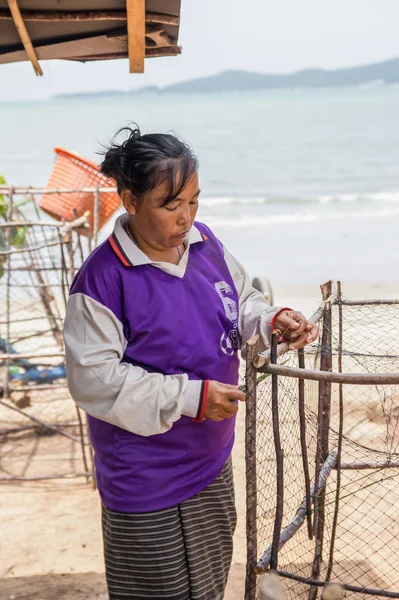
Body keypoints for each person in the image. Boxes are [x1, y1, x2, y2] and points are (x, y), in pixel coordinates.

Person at [64, 125, 318, 600]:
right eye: (170, 204)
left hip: (211, 461)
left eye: (194, 201)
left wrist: (271, 321)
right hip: (146, 479)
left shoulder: (204, 244)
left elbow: (239, 300)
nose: (186, 218)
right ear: (129, 200)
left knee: (207, 587)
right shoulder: (101, 281)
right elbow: (93, 381)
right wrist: (191, 397)